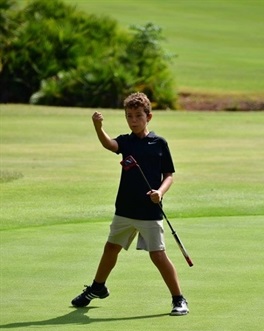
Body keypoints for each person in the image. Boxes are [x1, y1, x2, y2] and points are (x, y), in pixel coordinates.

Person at [71, 92, 189, 316]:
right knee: (111, 248)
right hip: (125, 209)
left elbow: (169, 175)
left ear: (149, 117)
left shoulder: (159, 143)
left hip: (149, 211)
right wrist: (98, 126)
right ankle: (98, 287)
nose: (133, 120)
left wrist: (160, 192)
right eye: (129, 116)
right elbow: (109, 144)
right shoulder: (126, 141)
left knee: (158, 255)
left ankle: (179, 299)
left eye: (138, 116)